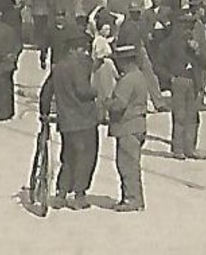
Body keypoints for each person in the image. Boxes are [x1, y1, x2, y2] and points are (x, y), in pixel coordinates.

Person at [38, 21, 102, 210]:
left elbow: (46, 92)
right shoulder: (79, 66)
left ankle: (61, 192)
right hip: (84, 120)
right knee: (86, 156)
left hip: (66, 121)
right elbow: (83, 91)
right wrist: (95, 92)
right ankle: (79, 195)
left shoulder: (59, 67)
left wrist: (44, 113)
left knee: (68, 156)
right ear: (77, 48)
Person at [106, 43, 149, 211]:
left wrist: (106, 103)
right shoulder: (139, 76)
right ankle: (133, 198)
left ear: (125, 61)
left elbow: (119, 105)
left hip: (127, 126)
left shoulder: (127, 80)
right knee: (132, 163)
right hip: (138, 125)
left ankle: (132, 199)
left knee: (126, 165)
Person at [159, 8, 205, 159]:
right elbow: (158, 64)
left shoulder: (195, 43)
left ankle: (190, 148)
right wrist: (170, 77)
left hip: (194, 81)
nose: (188, 29)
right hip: (179, 80)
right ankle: (178, 148)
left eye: (191, 25)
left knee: (193, 116)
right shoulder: (170, 43)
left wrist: (197, 52)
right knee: (179, 115)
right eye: (185, 25)